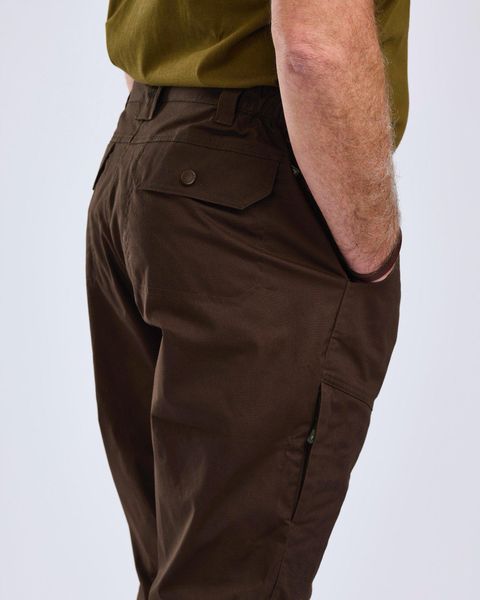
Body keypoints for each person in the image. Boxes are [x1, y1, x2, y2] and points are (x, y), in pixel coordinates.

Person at [86, 1, 410, 598]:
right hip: (252, 199)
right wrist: (374, 249)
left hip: (141, 160)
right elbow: (314, 46)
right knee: (226, 583)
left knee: (187, 574)